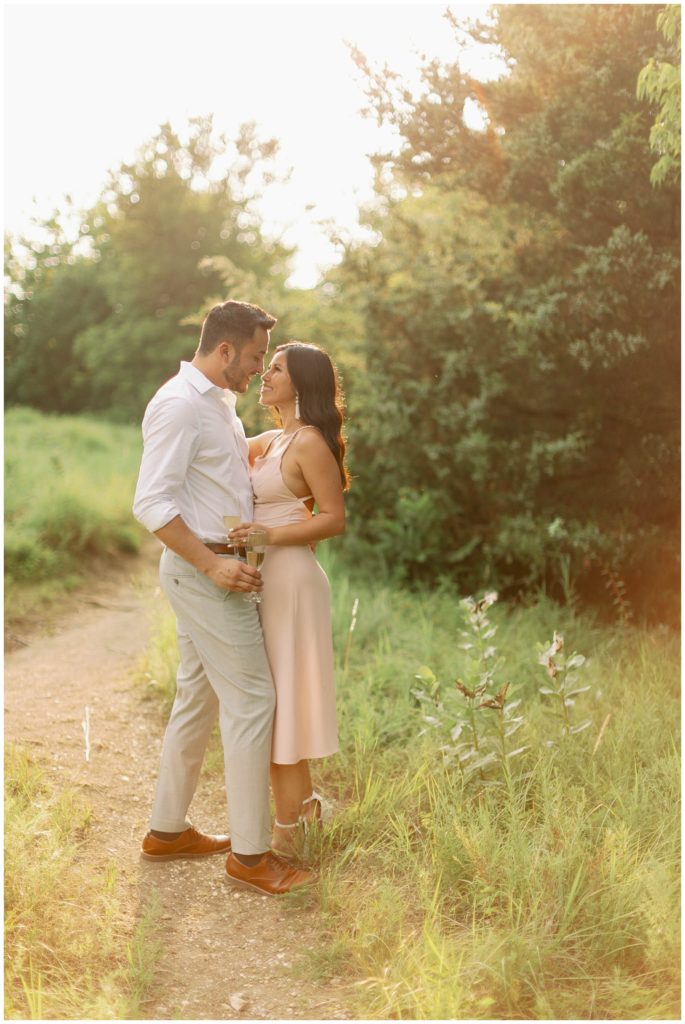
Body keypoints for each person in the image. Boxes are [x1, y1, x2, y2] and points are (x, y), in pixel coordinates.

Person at [132, 300, 311, 895]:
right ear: (226, 349)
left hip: (218, 566)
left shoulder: (219, 405)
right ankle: (253, 857)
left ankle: (166, 831)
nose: (260, 369)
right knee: (254, 700)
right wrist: (213, 565)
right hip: (205, 571)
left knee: (197, 701)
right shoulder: (180, 405)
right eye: (256, 356)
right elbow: (151, 504)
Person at [228, 342, 348, 857]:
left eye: (275, 368)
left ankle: (289, 833)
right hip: (268, 580)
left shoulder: (310, 443)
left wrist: (266, 537)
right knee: (277, 705)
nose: (264, 374)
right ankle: (303, 812)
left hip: (294, 581)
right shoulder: (274, 439)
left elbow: (333, 518)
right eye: (265, 365)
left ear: (301, 382)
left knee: (283, 707)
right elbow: (224, 440)